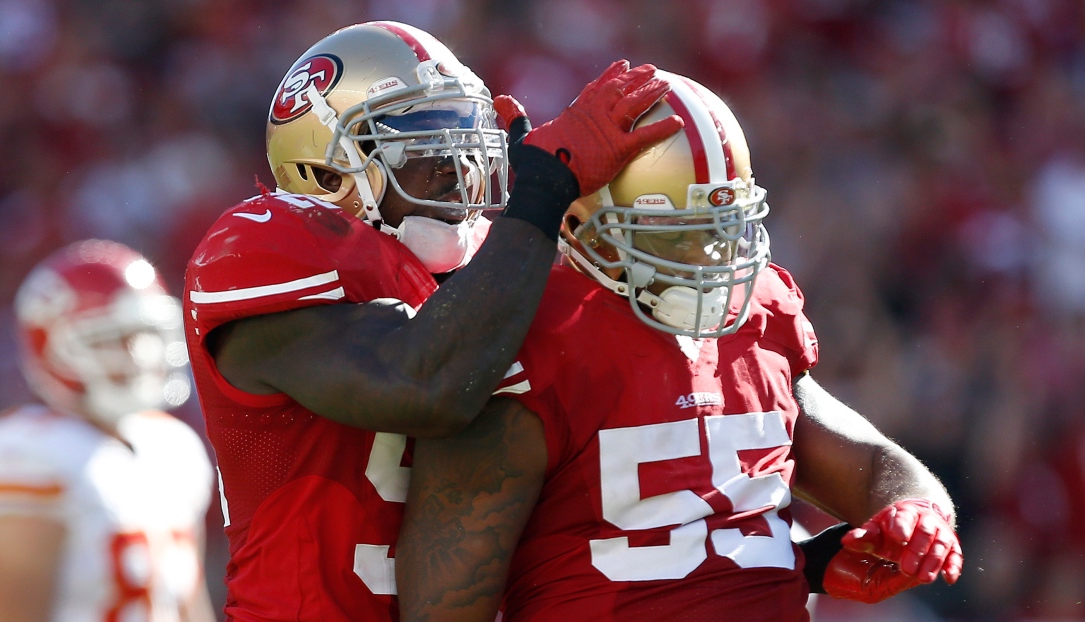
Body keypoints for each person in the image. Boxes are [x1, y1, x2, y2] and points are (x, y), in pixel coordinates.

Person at [395, 72, 964, 621]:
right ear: (578, 221)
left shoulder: (758, 311)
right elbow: (442, 607)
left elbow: (872, 468)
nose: (705, 260)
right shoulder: (529, 335)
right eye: (675, 235)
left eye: (721, 228)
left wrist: (917, 512)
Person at [182, 20, 682, 620]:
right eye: (421, 138)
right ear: (326, 172)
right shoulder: (266, 247)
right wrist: (543, 198)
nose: (456, 163)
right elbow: (424, 385)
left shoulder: (485, 270)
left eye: (465, 134)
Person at [0, 239, 216, 622]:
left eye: (141, 335)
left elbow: (188, 605)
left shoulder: (173, 446)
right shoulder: (25, 454)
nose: (136, 355)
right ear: (50, 348)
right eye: (108, 339)